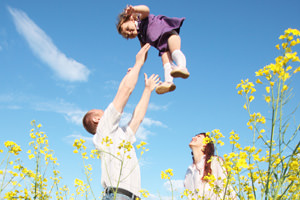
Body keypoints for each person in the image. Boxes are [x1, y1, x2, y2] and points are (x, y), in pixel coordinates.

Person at [82, 44, 160, 200]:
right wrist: (138, 63)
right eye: (101, 112)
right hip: (118, 195)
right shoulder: (104, 129)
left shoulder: (117, 136)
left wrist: (147, 90)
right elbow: (124, 92)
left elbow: (137, 118)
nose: (106, 112)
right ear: (97, 119)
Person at [116, 5, 189, 95]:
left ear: (131, 19)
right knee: (166, 63)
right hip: (162, 47)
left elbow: (146, 10)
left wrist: (134, 9)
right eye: (127, 35)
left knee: (175, 52)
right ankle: (169, 82)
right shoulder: (141, 37)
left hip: (169, 34)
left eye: (127, 29)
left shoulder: (141, 19)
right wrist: (135, 67)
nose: (129, 33)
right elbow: (143, 53)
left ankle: (182, 66)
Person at [184, 133, 237, 199]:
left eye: (198, 137)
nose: (193, 138)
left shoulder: (215, 161)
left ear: (205, 144)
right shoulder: (189, 170)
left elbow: (225, 188)